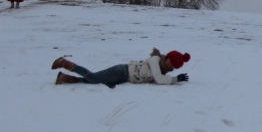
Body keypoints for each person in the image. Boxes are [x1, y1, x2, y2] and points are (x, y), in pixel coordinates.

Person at [52, 48, 190, 88]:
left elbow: (156, 78)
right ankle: (64, 63)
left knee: (97, 82)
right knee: (93, 78)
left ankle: (65, 79)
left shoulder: (161, 69)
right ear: (167, 58)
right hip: (121, 71)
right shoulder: (155, 60)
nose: (169, 65)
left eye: (172, 66)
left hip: (123, 76)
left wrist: (173, 78)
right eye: (170, 62)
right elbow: (159, 80)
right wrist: (175, 79)